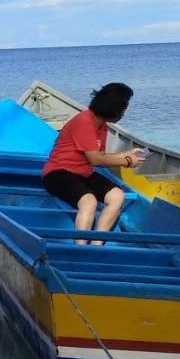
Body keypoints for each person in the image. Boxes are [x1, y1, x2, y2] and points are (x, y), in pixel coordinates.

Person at [41, 82, 145, 244]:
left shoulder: (101, 126)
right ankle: (80, 247)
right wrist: (127, 161)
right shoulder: (85, 121)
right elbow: (95, 159)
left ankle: (97, 243)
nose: (124, 112)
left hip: (82, 174)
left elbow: (100, 155)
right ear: (114, 107)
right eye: (123, 108)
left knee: (117, 196)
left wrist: (127, 153)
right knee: (89, 201)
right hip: (58, 174)